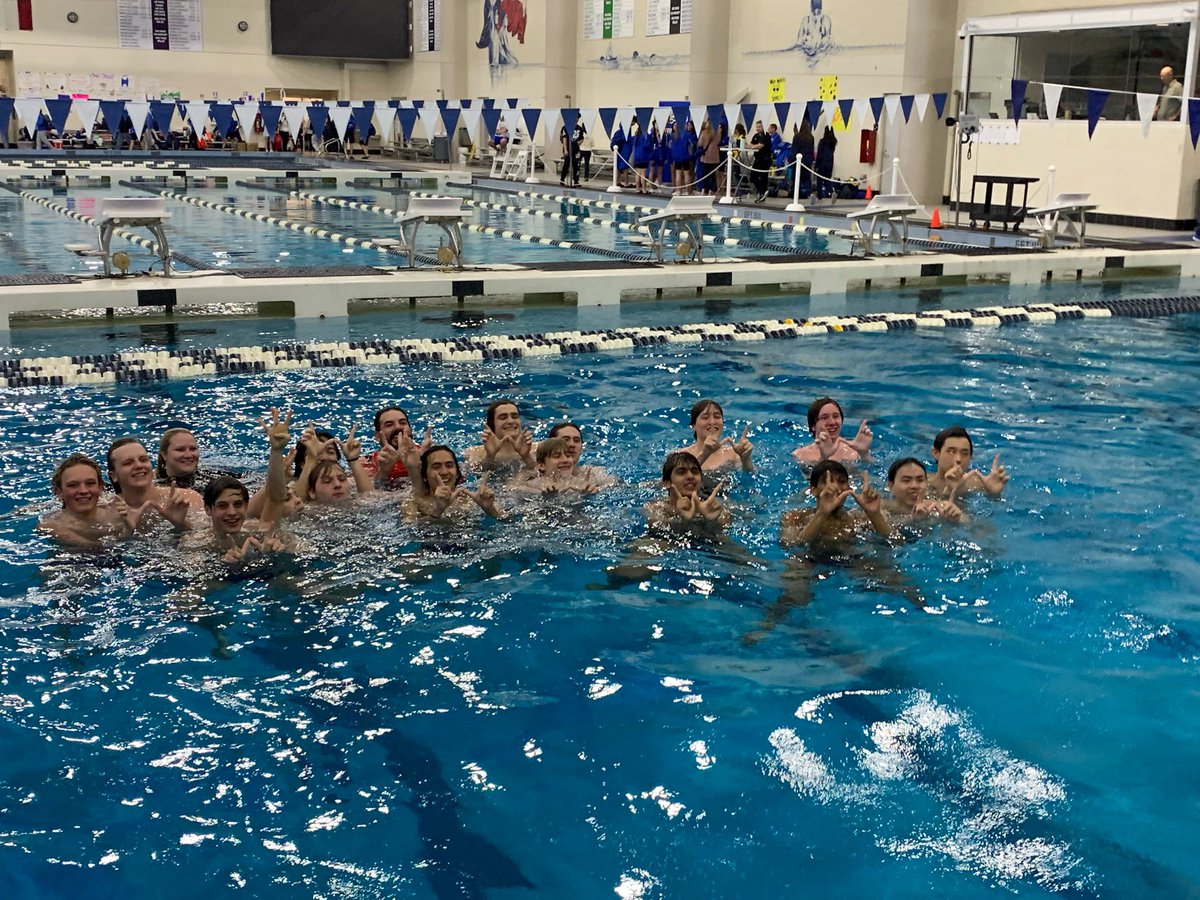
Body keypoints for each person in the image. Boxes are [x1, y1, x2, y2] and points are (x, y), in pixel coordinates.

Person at [38, 454, 149, 549]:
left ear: (100, 488)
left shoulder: (118, 513)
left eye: (90, 483)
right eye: (73, 485)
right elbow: (96, 549)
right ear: (59, 492)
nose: (83, 491)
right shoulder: (51, 526)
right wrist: (128, 530)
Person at [780, 460, 889, 547]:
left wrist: (874, 514)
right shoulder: (794, 518)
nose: (835, 488)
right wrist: (821, 514)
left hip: (853, 562)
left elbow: (894, 541)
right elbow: (790, 545)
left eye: (841, 481)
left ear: (849, 488)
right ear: (813, 489)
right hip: (809, 562)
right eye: (827, 481)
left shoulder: (860, 519)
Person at [107, 437, 205, 520]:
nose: (138, 465)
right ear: (113, 476)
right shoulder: (107, 512)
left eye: (143, 460)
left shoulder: (188, 499)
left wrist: (181, 524)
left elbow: (208, 537)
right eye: (128, 463)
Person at [402, 445, 504, 521]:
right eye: (436, 467)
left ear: (457, 473)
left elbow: (508, 522)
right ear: (424, 476)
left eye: (449, 465)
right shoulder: (413, 504)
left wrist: (489, 509)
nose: (444, 472)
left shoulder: (471, 501)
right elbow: (410, 535)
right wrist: (438, 510)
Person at [645, 451, 729, 533]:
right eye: (681, 472)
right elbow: (657, 530)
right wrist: (684, 522)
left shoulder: (714, 508)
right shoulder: (657, 508)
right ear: (667, 483)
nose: (690, 476)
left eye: (695, 471)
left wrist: (711, 522)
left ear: (701, 482)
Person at [926, 426, 1009, 499]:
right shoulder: (922, 483)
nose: (958, 459)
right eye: (951, 452)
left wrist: (994, 495)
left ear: (970, 458)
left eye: (965, 453)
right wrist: (948, 493)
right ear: (936, 453)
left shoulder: (977, 485)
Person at [792, 397, 872, 466]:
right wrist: (824, 458)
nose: (832, 422)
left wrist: (864, 454)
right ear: (813, 426)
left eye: (836, 416)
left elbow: (870, 474)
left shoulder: (854, 453)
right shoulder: (800, 455)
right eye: (824, 417)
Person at [884, 457, 965, 523]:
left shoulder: (940, 508)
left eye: (919, 480)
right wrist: (912, 520)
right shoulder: (883, 508)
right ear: (891, 486)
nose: (914, 486)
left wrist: (957, 519)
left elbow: (970, 525)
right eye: (906, 480)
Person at [680, 400, 753, 471]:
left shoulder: (733, 454)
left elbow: (749, 477)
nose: (712, 422)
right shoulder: (681, 456)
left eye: (717, 417)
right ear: (693, 426)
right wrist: (705, 454)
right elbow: (680, 480)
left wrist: (745, 459)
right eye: (705, 417)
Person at [464, 399, 535, 473]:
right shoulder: (474, 453)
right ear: (492, 424)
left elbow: (543, 475)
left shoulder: (537, 450)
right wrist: (490, 456)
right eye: (503, 418)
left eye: (515, 417)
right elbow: (477, 476)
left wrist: (526, 456)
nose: (511, 421)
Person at [543, 422, 615, 487]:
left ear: (581, 448)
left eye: (576, 440)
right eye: (565, 440)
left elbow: (618, 486)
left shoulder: (592, 474)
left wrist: (595, 491)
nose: (572, 444)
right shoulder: (536, 477)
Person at [748, 120, 772, 202]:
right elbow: (751, 144)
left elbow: (760, 146)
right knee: (752, 177)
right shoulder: (755, 135)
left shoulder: (766, 136)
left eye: (760, 127)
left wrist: (753, 146)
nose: (758, 129)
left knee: (763, 177)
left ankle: (762, 194)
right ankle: (762, 191)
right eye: (757, 127)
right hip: (757, 159)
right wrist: (752, 146)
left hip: (765, 159)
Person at [696, 119, 720, 195]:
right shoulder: (718, 132)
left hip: (706, 156)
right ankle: (711, 190)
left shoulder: (704, 132)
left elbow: (700, 144)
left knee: (705, 174)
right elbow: (718, 141)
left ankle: (703, 190)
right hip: (714, 156)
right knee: (712, 175)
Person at [793, 119, 814, 199]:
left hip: (799, 161)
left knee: (797, 178)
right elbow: (811, 150)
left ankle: (796, 195)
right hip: (808, 161)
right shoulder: (811, 137)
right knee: (807, 178)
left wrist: (790, 160)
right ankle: (809, 193)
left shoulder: (797, 137)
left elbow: (794, 150)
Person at [815, 126, 837, 200]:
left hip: (822, 162)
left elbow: (819, 154)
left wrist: (816, 165)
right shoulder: (833, 141)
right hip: (830, 162)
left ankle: (819, 195)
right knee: (827, 179)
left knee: (819, 180)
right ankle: (830, 192)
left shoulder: (822, 141)